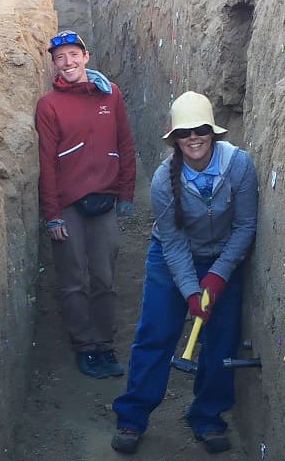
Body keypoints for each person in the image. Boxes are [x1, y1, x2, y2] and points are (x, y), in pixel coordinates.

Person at [111, 91, 258, 454]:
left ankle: (207, 417)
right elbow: (173, 245)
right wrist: (192, 293)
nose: (194, 137)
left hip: (223, 258)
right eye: (185, 132)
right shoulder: (164, 181)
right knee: (156, 333)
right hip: (170, 258)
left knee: (220, 340)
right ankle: (133, 416)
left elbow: (245, 226)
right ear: (175, 138)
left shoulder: (238, 166)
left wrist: (218, 275)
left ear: (213, 131)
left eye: (201, 129)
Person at [35, 30, 136, 379]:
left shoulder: (111, 95)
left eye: (74, 54)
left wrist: (126, 194)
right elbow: (46, 163)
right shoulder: (49, 106)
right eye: (60, 57)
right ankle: (85, 347)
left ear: (86, 56)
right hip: (68, 205)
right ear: (54, 64)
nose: (68, 62)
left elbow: (125, 144)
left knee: (105, 278)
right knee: (75, 278)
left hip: (104, 200)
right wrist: (51, 215)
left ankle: (105, 344)